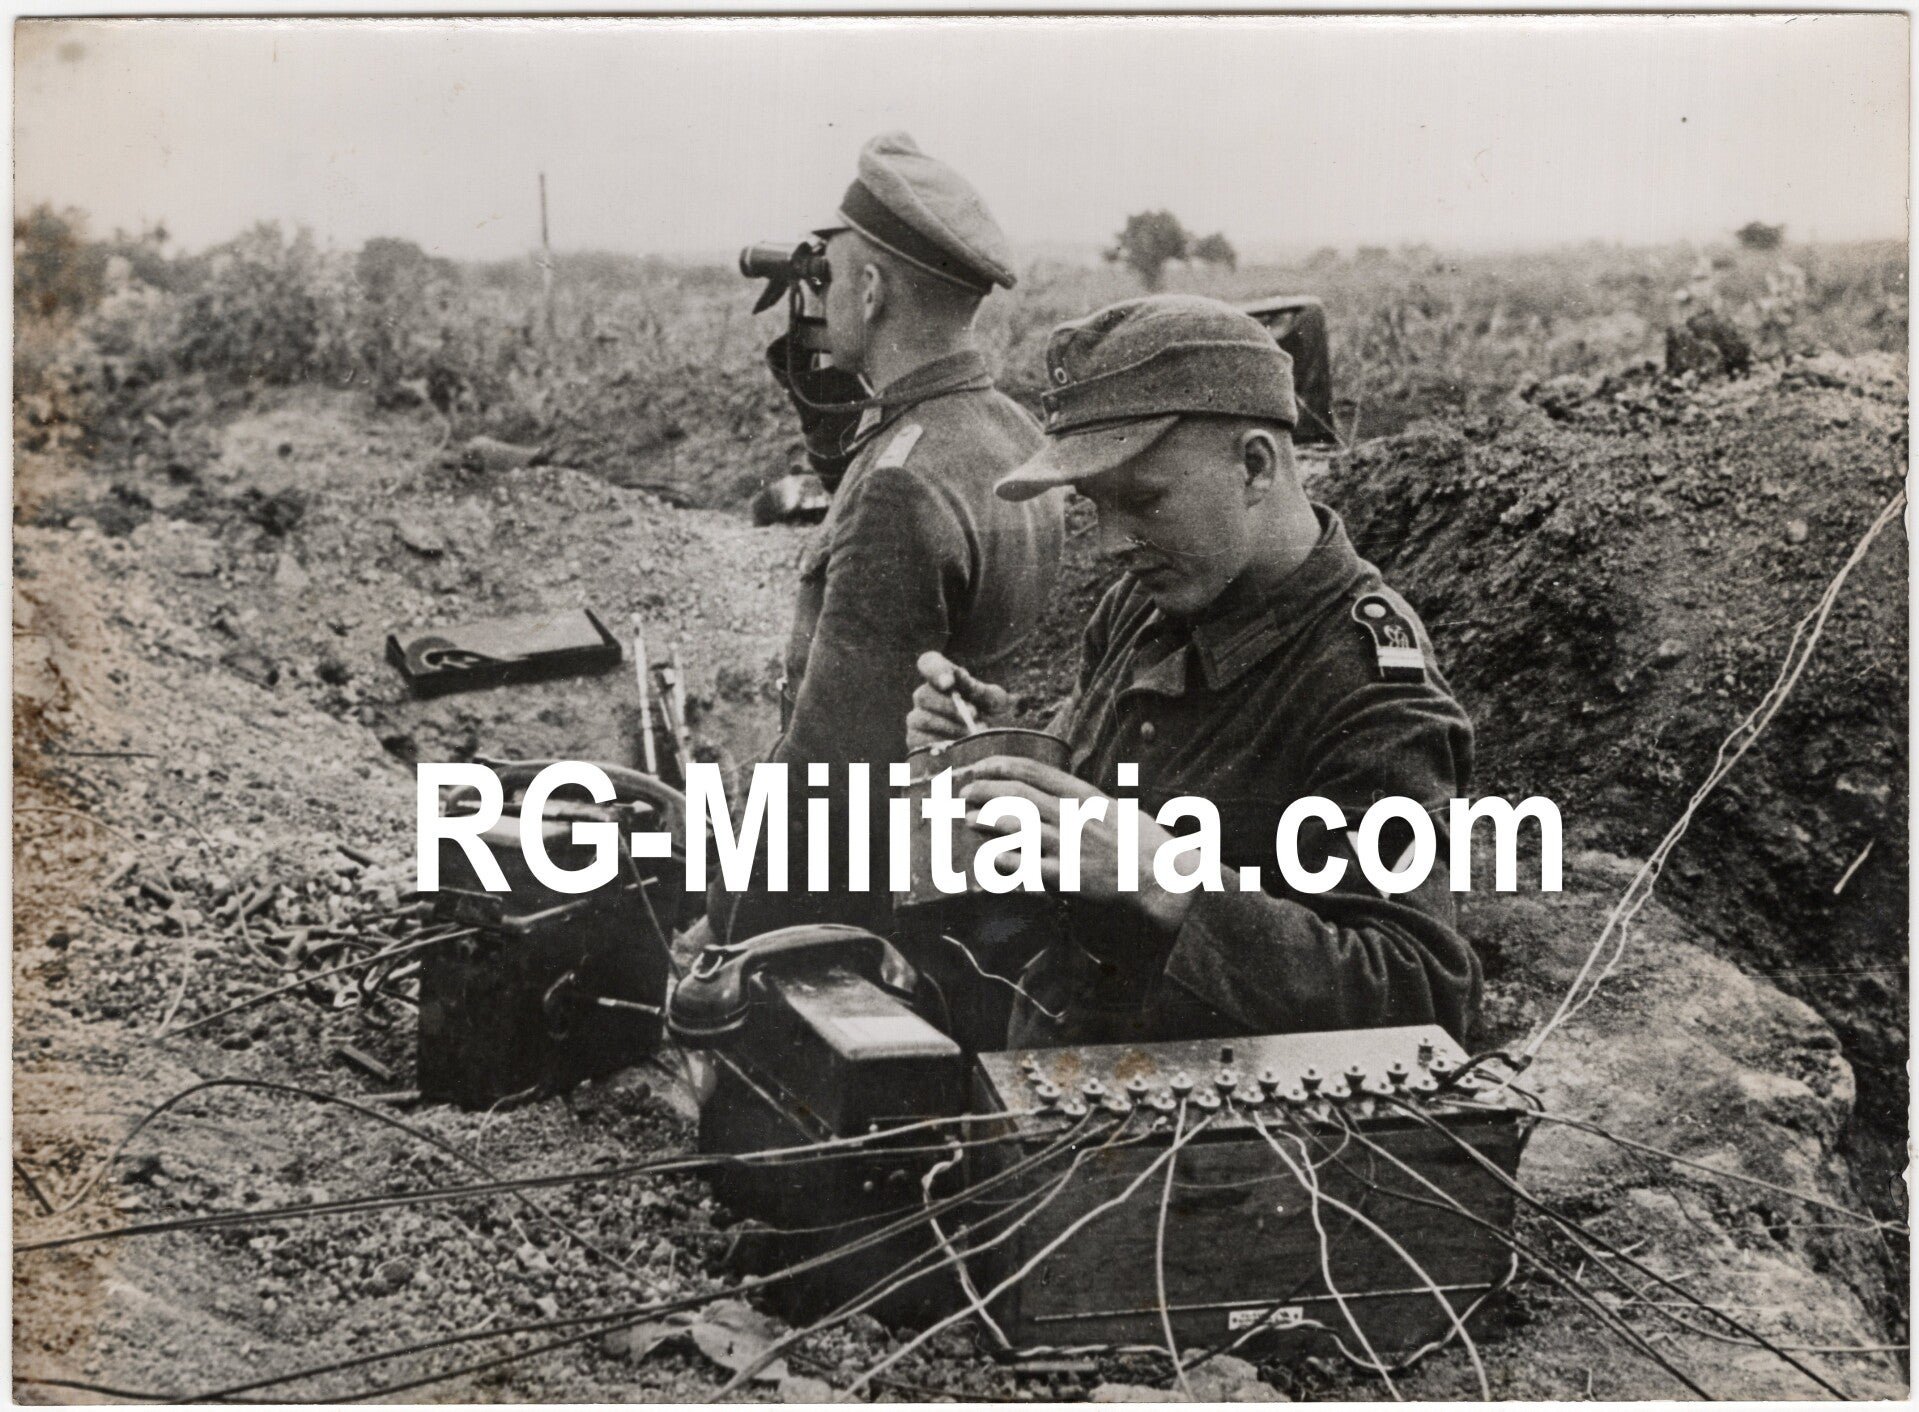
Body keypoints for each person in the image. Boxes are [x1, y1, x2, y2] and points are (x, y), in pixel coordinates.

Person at [908, 294, 1479, 1047]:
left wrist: (1172, 882)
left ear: (1253, 466)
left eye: (1143, 500)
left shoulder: (1368, 683)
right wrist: (996, 740)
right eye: (1095, 505)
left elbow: (1422, 992)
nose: (1112, 542)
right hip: (1056, 1071)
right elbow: (1107, 798)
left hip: (1200, 1144)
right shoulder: (1139, 609)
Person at [711, 133, 1064, 943]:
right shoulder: (1008, 428)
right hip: (970, 864)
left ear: (869, 290)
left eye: (831, 279)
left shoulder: (899, 482)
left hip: (869, 905)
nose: (822, 296)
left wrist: (728, 933)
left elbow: (830, 774)